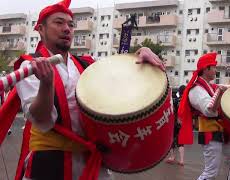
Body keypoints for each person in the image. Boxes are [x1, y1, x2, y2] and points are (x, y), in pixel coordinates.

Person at [11, 0, 165, 179]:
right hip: (49, 162)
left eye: (70, 24)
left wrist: (140, 53)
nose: (67, 28)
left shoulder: (86, 64)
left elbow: (119, 74)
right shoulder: (29, 66)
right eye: (59, 22)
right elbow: (43, 120)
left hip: (91, 158)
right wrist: (46, 84)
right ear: (40, 29)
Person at [178, 53, 230, 180]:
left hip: (219, 132)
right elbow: (209, 111)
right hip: (209, 133)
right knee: (210, 173)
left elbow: (228, 90)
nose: (216, 70)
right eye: (214, 67)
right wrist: (220, 92)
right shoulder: (196, 90)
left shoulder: (210, 87)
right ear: (206, 68)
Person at [165, 85, 186, 166]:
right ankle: (181, 160)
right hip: (183, 123)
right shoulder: (187, 101)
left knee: (171, 139)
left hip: (175, 122)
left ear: (179, 92)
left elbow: (172, 110)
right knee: (181, 142)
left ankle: (172, 157)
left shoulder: (176, 100)